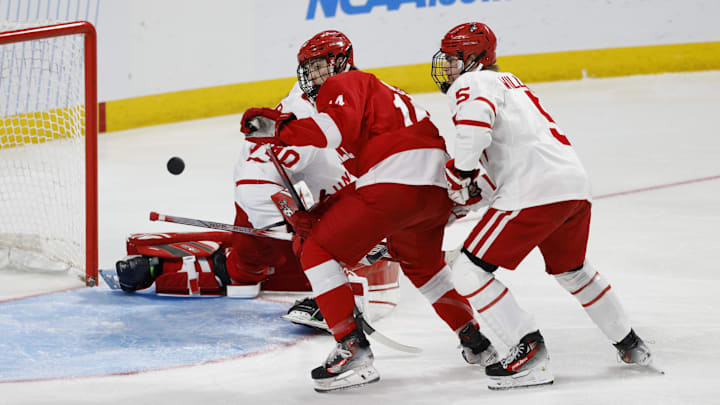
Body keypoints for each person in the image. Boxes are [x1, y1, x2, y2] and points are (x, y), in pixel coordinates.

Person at [240, 30, 499, 393]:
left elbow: (332, 134)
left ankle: (352, 348)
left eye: (317, 66)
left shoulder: (343, 83)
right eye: (307, 69)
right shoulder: (379, 94)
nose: (311, 76)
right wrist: (324, 211)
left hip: (395, 184)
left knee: (316, 250)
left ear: (339, 60)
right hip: (433, 191)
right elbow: (367, 180)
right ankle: (474, 340)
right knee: (423, 266)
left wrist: (277, 128)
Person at [431, 22, 654, 390]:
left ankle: (529, 353)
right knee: (573, 271)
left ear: (473, 59)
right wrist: (469, 194)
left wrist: (459, 172)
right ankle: (631, 344)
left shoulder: (472, 84)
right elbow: (507, 158)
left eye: (455, 59)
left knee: (469, 271)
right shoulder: (512, 84)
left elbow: (474, 129)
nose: (449, 68)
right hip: (572, 185)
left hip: (532, 190)